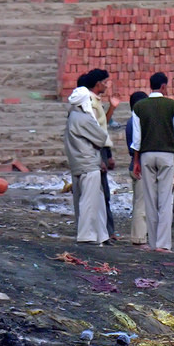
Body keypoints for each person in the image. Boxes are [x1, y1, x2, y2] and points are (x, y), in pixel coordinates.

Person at [130, 72, 174, 252]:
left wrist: (136, 160)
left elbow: (136, 139)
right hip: (166, 154)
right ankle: (163, 243)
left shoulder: (139, 106)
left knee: (150, 200)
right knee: (164, 199)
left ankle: (152, 242)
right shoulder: (172, 105)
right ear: (163, 86)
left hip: (145, 155)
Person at [64, 87, 111, 245]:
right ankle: (87, 235)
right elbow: (101, 137)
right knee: (89, 201)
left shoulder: (72, 116)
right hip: (88, 163)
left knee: (94, 201)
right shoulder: (83, 118)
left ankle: (100, 235)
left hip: (79, 163)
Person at [78, 69, 120, 238]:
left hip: (100, 149)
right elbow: (94, 132)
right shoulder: (89, 103)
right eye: (105, 82)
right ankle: (103, 231)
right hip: (94, 151)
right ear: (97, 84)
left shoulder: (96, 101)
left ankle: (107, 231)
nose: (107, 85)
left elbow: (102, 127)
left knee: (104, 193)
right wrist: (101, 157)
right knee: (100, 193)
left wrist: (112, 107)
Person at [124, 91, 149, 246]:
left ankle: (142, 235)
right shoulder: (138, 121)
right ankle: (139, 238)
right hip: (140, 165)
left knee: (139, 202)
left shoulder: (130, 121)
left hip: (134, 164)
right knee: (142, 204)